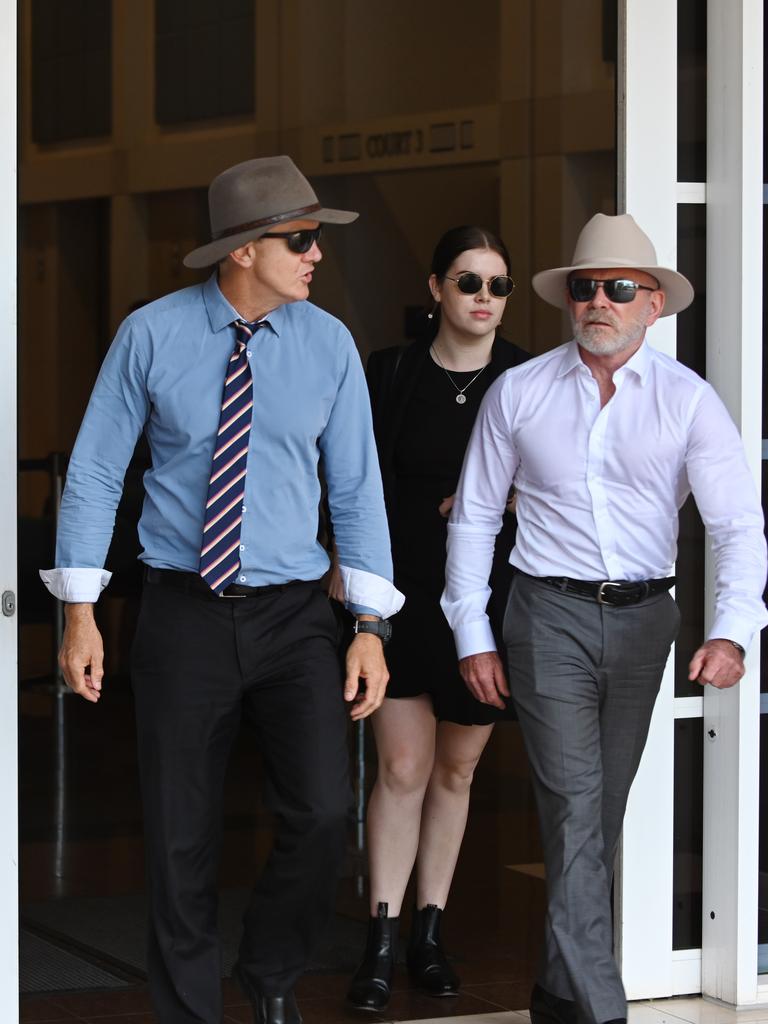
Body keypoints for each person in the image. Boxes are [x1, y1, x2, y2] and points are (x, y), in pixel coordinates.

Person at [40, 155, 404, 1024]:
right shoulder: (153, 335)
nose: (317, 256)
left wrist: (369, 626)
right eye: (301, 240)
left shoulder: (329, 345)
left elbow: (356, 489)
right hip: (181, 612)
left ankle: (272, 968)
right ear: (243, 250)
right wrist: (80, 612)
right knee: (178, 840)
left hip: (295, 618)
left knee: (321, 814)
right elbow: (94, 473)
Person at [441, 213, 768, 1024]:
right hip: (544, 613)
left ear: (654, 305)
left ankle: (558, 991)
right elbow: (476, 517)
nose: (599, 302)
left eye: (619, 290)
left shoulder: (690, 402)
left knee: (595, 812)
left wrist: (731, 628)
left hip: (643, 621)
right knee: (575, 803)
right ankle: (602, 1008)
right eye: (585, 288)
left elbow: (735, 526)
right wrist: (472, 631)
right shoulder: (518, 392)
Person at [344, 226, 529, 1012]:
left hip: (487, 602)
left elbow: (570, 475)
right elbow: (352, 479)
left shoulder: (527, 378)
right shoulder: (391, 374)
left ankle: (429, 933)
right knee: (402, 769)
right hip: (401, 595)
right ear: (436, 289)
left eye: (496, 285)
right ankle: (380, 940)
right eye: (468, 282)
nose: (483, 298)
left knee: (456, 771)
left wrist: (507, 500)